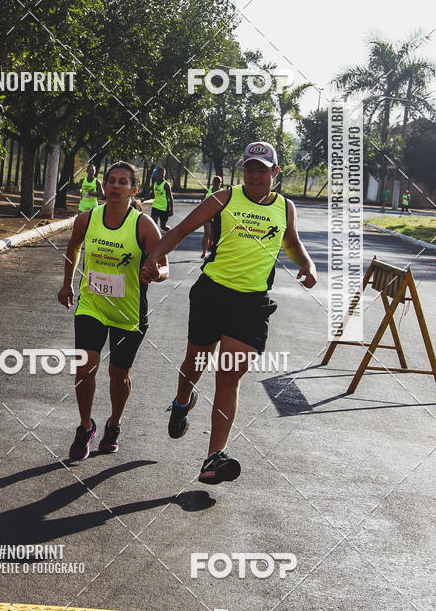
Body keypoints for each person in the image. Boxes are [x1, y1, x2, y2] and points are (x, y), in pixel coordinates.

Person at [141, 141, 317, 485]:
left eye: (262, 170)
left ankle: (213, 458)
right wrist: (154, 256)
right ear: (243, 172)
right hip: (212, 294)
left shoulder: (285, 207)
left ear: (275, 173)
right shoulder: (224, 198)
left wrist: (307, 265)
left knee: (228, 376)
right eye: (250, 168)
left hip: (251, 304)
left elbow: (291, 242)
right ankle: (181, 402)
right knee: (195, 363)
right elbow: (180, 230)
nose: (255, 175)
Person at [58, 161, 169, 460]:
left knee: (119, 375)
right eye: (111, 181)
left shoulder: (143, 225)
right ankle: (84, 427)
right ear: (104, 186)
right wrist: (67, 284)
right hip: (92, 305)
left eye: (123, 182)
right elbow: (73, 248)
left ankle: (114, 424)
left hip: (128, 312)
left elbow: (165, 268)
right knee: (85, 366)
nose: (116, 186)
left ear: (134, 189)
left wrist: (155, 274)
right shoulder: (87, 219)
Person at [201, 174, 223, 258]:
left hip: (217, 217)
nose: (217, 183)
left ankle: (210, 244)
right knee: (207, 233)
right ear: (212, 182)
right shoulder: (208, 191)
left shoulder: (223, 192)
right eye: (215, 181)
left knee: (213, 236)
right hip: (208, 215)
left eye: (219, 181)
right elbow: (202, 201)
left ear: (221, 183)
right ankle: (204, 252)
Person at [151, 166, 173, 232]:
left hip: (164, 207)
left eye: (163, 173)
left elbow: (170, 197)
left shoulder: (166, 184)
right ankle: (155, 240)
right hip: (155, 206)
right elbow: (152, 194)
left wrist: (171, 210)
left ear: (164, 174)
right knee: (153, 225)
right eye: (160, 172)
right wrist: (144, 199)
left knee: (163, 227)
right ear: (157, 173)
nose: (161, 174)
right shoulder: (154, 183)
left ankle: (170, 232)